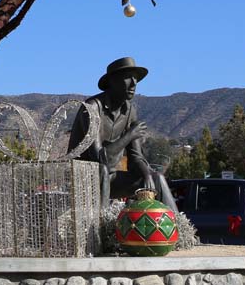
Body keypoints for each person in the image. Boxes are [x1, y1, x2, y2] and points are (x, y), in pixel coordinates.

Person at [68, 57, 177, 211]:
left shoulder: (130, 111)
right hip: (85, 178)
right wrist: (130, 135)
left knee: (156, 178)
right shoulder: (92, 108)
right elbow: (99, 158)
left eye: (136, 78)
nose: (134, 83)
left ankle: (180, 229)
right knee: (102, 170)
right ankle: (102, 228)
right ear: (112, 81)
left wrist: (147, 175)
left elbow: (136, 157)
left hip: (111, 178)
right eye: (128, 77)